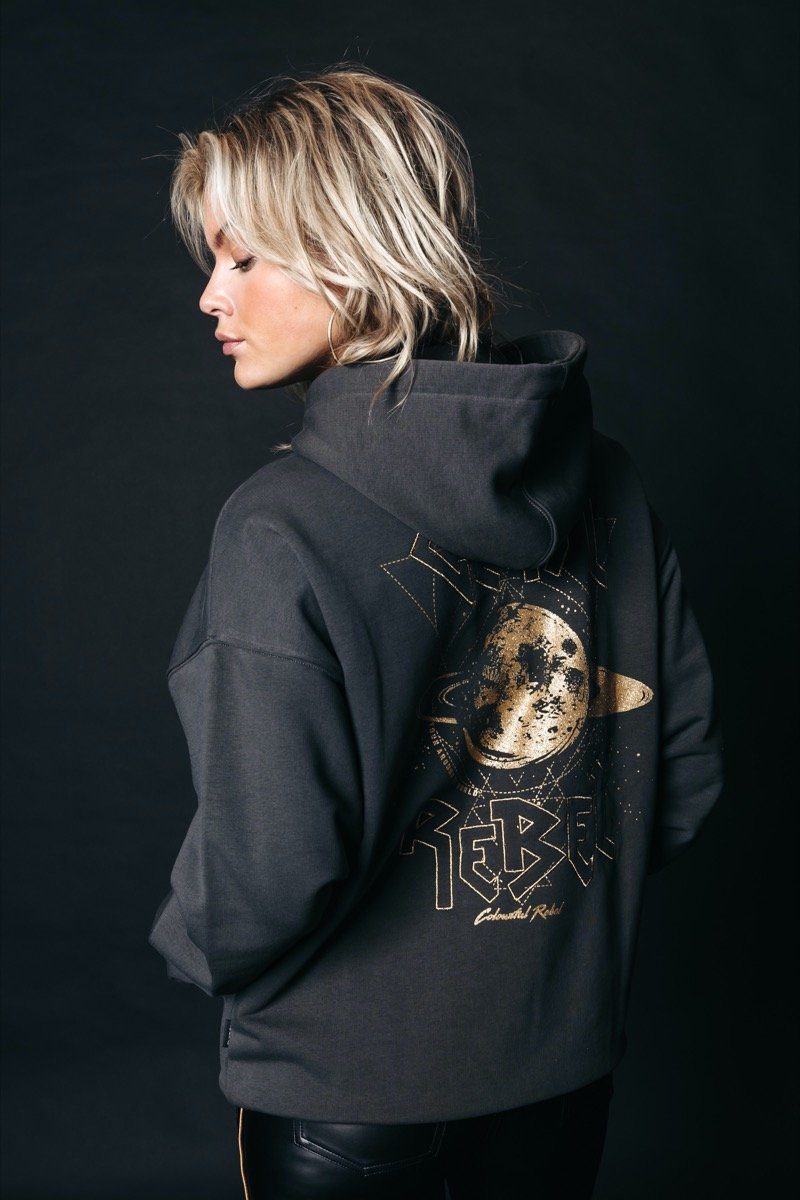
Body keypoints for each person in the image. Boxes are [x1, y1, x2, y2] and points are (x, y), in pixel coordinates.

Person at [147, 63, 724, 1200]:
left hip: (344, 1102)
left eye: (243, 258)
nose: (210, 296)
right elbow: (682, 772)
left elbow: (271, 864)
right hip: (560, 1087)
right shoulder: (607, 482)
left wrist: (191, 944)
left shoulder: (280, 526)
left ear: (352, 253)